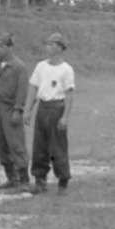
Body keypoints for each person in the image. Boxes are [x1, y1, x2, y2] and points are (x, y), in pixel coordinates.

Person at [24, 32, 75, 193]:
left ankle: (63, 180)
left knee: (57, 147)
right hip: (43, 107)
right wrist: (28, 110)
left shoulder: (66, 69)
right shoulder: (41, 66)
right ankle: (40, 180)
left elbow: (69, 94)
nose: (48, 47)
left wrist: (65, 117)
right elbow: (34, 88)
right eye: (47, 44)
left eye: (52, 44)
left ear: (60, 48)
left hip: (56, 107)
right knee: (40, 145)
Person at [0, 32, 30, 191]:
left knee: (16, 143)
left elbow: (22, 89)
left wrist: (18, 109)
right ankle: (11, 178)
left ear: (8, 47)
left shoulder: (19, 67)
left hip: (10, 107)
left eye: (0, 46)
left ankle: (24, 179)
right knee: (0, 142)